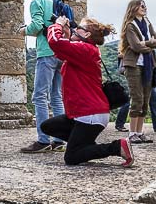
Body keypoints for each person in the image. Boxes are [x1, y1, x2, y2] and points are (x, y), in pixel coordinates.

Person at [40, 16, 135, 167]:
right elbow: (61, 52)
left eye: (79, 28)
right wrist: (66, 34)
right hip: (81, 113)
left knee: (71, 157)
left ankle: (117, 147)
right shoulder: (83, 50)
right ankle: (86, 145)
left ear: (87, 35)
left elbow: (55, 43)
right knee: (48, 126)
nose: (75, 29)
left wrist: (57, 25)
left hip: (90, 114)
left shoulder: (86, 50)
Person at [17, 0, 66, 153]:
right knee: (57, 97)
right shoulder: (59, 1)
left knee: (39, 97)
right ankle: (59, 140)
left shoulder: (38, 1)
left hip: (46, 52)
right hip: (62, 52)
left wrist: (24, 30)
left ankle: (43, 139)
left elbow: (37, 26)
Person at [119, 0, 156, 144]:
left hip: (149, 64)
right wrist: (150, 43)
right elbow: (136, 46)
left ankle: (139, 132)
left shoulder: (147, 23)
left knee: (145, 99)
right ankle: (132, 133)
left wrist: (146, 43)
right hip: (134, 65)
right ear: (134, 8)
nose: (144, 7)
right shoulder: (130, 25)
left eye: (145, 5)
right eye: (141, 5)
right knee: (137, 98)